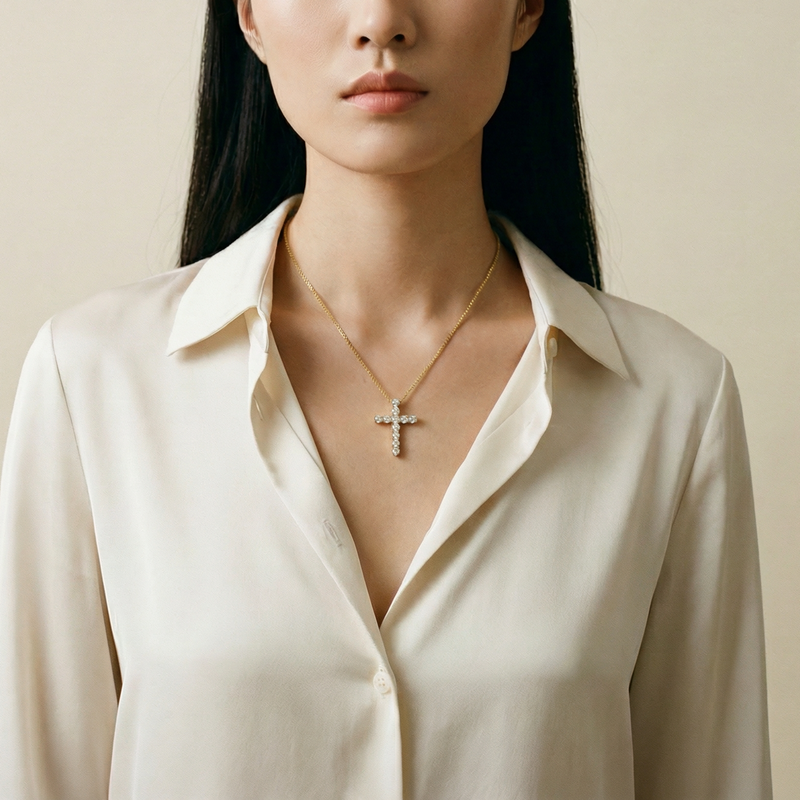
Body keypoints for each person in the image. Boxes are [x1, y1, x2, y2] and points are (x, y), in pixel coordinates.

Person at [0, 0, 772, 797]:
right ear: (250, 15)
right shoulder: (92, 382)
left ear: (528, 8)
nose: (381, 21)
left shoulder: (672, 402)